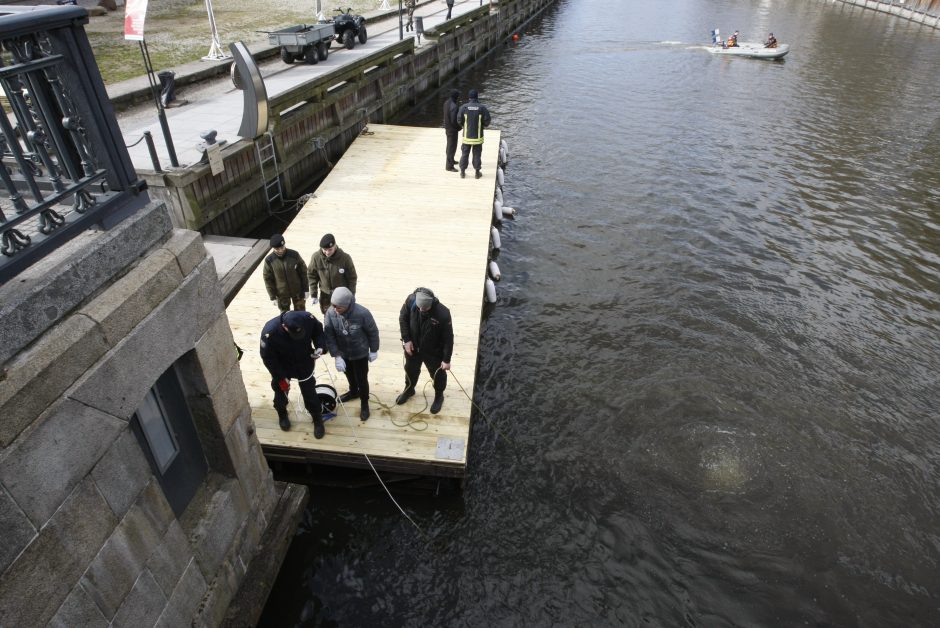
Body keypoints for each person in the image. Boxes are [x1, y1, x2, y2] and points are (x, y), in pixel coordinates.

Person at [260, 310, 327, 436]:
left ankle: (317, 419)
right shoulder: (270, 332)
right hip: (282, 367)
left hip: (304, 362)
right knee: (280, 392)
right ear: (284, 326)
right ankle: (282, 414)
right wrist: (280, 376)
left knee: (310, 392)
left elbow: (318, 332)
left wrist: (320, 346)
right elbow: (267, 357)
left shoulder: (308, 318)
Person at [323, 287, 380, 421]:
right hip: (343, 354)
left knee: (362, 378)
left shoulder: (363, 313)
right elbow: (329, 335)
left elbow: (373, 332)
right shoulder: (330, 313)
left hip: (360, 353)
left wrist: (374, 350)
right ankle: (354, 392)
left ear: (348, 305)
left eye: (339, 308)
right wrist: (336, 356)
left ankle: (364, 402)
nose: (336, 310)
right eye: (334, 306)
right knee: (349, 374)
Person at [396, 287, 453, 414]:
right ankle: (409, 389)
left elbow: (448, 338)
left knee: (438, 374)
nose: (422, 310)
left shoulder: (443, 314)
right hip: (413, 347)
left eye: (425, 308)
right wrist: (407, 340)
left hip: (433, 351)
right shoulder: (410, 301)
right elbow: (403, 319)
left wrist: (446, 359)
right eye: (419, 307)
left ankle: (439, 395)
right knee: (410, 369)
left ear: (431, 304)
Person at [307, 233, 358, 315]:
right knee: (327, 315)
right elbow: (312, 275)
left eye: (330, 249)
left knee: (342, 316)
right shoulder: (316, 257)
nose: (327, 252)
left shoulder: (345, 258)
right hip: (325, 295)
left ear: (335, 246)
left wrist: (351, 295)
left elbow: (352, 278)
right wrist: (314, 294)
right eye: (324, 249)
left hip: (341, 295)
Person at [263, 234, 309, 313]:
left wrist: (306, 289)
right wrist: (272, 296)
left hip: (297, 291)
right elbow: (268, 279)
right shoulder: (269, 260)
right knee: (284, 316)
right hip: (282, 294)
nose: (281, 250)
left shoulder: (294, 255)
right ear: (273, 249)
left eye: (282, 247)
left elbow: (303, 272)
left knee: (301, 314)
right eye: (277, 249)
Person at [456, 89, 492, 180]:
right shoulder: (482, 108)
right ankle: (477, 172)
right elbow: (487, 120)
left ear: (469, 97)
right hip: (478, 137)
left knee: (464, 154)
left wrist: (464, 126)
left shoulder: (464, 107)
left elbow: (459, 120)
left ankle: (463, 172)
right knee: (477, 155)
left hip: (466, 137)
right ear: (477, 97)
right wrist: (482, 126)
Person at [443, 89, 460, 172]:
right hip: (452, 130)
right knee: (452, 147)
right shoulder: (454, 106)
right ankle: (449, 166)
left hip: (447, 128)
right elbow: (454, 120)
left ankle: (451, 160)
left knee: (449, 145)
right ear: (456, 97)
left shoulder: (446, 103)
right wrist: (459, 127)